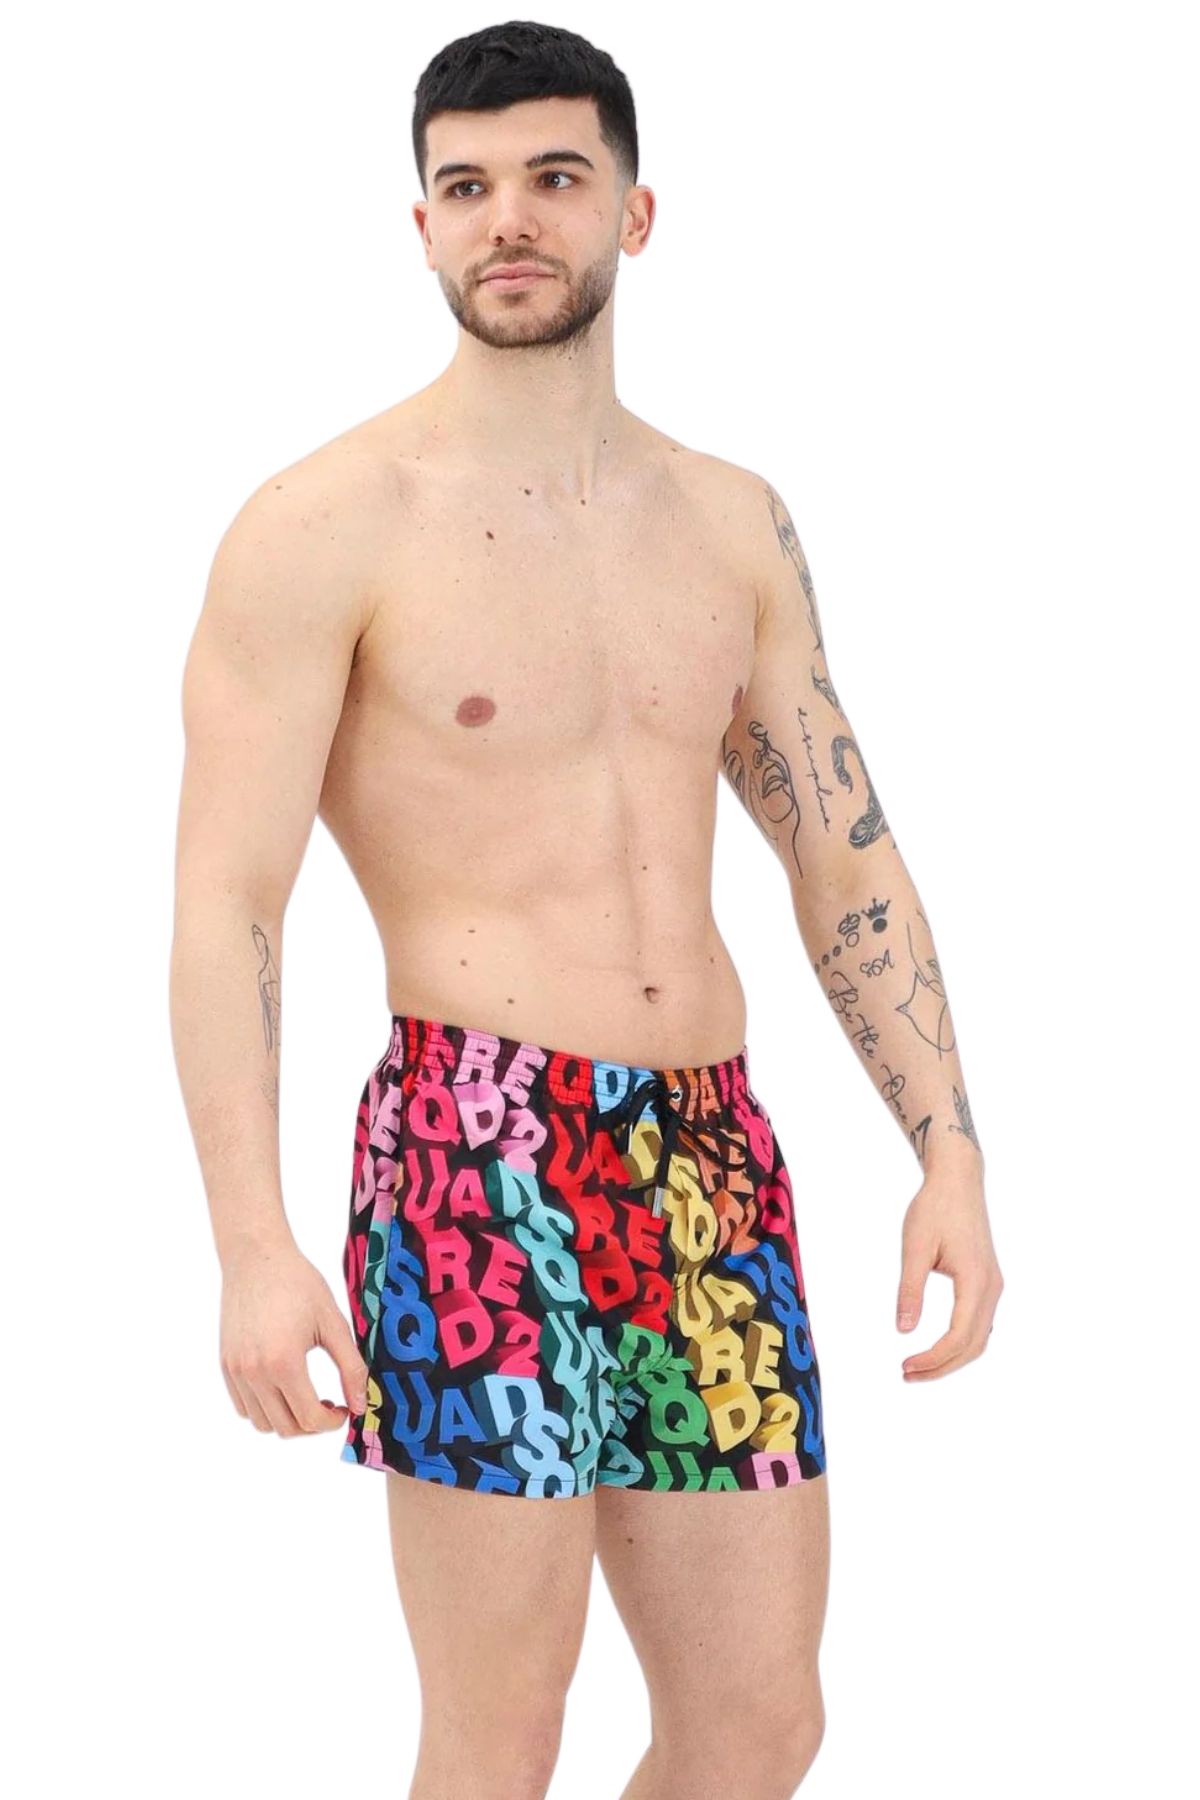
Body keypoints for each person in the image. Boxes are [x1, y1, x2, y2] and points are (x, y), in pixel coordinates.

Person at [170, 20, 1004, 1799]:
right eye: (467, 187)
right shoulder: (325, 526)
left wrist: (948, 1149)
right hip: (472, 1152)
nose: (510, 221)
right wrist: (251, 1243)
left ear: (636, 209)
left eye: (554, 177)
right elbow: (227, 900)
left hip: (709, 1155)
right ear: (419, 225)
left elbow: (843, 851)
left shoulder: (731, 523)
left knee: (758, 1725)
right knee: (502, 1738)